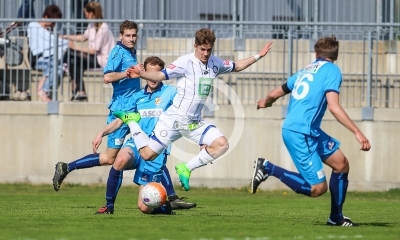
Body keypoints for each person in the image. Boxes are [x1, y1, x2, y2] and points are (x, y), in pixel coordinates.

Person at [51, 21, 195, 210]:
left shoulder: (132, 53)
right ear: (121, 36)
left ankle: (171, 196)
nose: (131, 39)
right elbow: (107, 77)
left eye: (134, 35)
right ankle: (67, 167)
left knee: (154, 147)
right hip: (121, 110)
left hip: (134, 108)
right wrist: (126, 74)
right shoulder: (117, 52)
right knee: (110, 158)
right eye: (127, 35)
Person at [116, 28, 273, 191]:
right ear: (195, 46)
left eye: (209, 50)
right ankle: (132, 121)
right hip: (174, 120)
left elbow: (237, 66)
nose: (206, 53)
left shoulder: (215, 63)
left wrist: (258, 55)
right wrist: (141, 74)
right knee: (147, 155)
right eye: (202, 49)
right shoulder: (185, 62)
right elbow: (160, 76)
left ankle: (186, 168)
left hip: (193, 123)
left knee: (222, 144)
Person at [250, 36, 371, 227]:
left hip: (308, 130)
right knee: (317, 188)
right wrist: (357, 131)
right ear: (335, 56)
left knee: (341, 164)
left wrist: (265, 102)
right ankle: (268, 168)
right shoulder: (332, 70)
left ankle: (336, 218)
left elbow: (275, 93)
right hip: (300, 132)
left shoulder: (305, 70)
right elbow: (333, 106)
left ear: (316, 54)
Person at [92, 56, 195, 214]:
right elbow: (121, 120)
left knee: (144, 207)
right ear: (144, 73)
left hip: (156, 150)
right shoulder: (137, 97)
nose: (153, 79)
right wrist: (102, 133)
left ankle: (166, 207)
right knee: (120, 159)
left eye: (157, 74)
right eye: (149, 73)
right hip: (136, 143)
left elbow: (187, 107)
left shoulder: (170, 93)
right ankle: (109, 206)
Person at [62, 1, 114, 101]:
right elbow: (83, 37)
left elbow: (93, 50)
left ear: (91, 13)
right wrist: (66, 37)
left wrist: (75, 47)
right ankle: (81, 92)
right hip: (94, 57)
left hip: (102, 60)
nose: (84, 15)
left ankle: (74, 85)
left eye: (85, 12)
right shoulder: (92, 25)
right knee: (73, 60)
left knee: (70, 53)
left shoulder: (103, 28)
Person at [26, 4, 68, 102]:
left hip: (49, 60)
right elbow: (50, 41)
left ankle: (42, 89)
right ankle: (42, 88)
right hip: (37, 60)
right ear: (46, 17)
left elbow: (52, 41)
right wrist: (63, 41)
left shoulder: (49, 32)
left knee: (60, 68)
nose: (53, 25)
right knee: (55, 62)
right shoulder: (33, 26)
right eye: (53, 21)